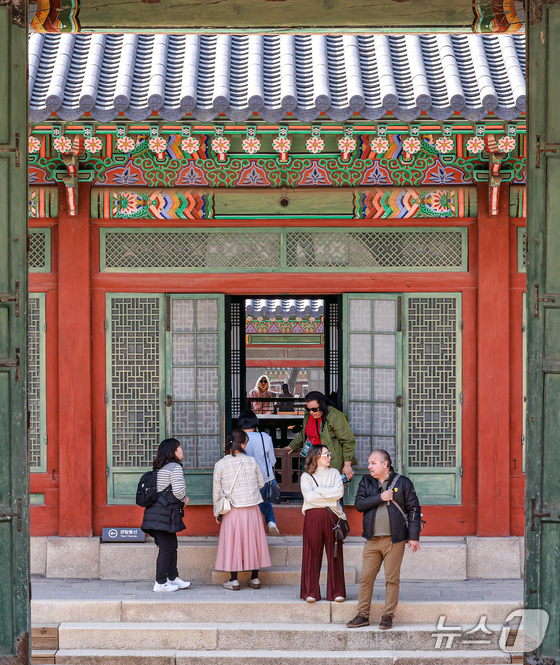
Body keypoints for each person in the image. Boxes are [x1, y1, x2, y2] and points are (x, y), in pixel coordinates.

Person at [347, 449, 421, 631]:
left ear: (385, 464)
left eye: (373, 463)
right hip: (372, 540)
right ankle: (363, 615)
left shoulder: (403, 482)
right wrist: (380, 497)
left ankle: (388, 616)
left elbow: (414, 509)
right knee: (366, 578)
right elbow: (359, 505)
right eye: (369, 463)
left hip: (394, 540)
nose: (369, 467)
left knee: (392, 579)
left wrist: (413, 537)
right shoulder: (366, 481)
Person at [213, 429, 272, 590]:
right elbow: (261, 483)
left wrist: (217, 513)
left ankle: (234, 580)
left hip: (232, 509)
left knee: (233, 543)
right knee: (253, 541)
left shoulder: (220, 464)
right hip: (252, 507)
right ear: (243, 444)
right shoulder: (252, 461)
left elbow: (216, 492)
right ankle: (255, 578)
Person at [141, 438, 192, 593]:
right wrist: (185, 499)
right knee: (166, 548)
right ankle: (160, 582)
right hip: (163, 515)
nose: (181, 449)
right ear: (173, 452)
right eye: (179, 447)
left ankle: (173, 577)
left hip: (157, 513)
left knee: (171, 546)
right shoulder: (175, 467)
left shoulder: (161, 468)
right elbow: (178, 491)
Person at [300, 445, 346, 603]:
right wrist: (329, 496)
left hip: (333, 517)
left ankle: (337, 591)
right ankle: (311, 591)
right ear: (316, 457)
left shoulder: (335, 473)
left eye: (329, 454)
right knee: (312, 554)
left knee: (335, 553)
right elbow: (309, 498)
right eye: (326, 455)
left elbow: (339, 493)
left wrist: (318, 491)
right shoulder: (306, 476)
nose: (329, 457)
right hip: (312, 518)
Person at [285, 391, 357, 480]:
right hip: (311, 457)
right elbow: (304, 433)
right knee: (311, 483)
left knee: (329, 485)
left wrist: (347, 465)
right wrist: (293, 445)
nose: (311, 412)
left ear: (322, 405)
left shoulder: (335, 416)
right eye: (308, 409)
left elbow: (348, 441)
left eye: (314, 409)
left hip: (329, 459)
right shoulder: (309, 415)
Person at [238, 409, 281, 536]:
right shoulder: (265, 437)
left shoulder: (238, 438)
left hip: (245, 478)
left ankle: (250, 529)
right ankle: (271, 523)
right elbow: (272, 460)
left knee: (248, 505)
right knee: (265, 501)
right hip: (265, 476)